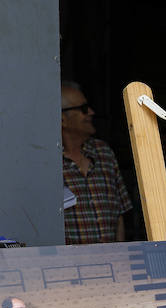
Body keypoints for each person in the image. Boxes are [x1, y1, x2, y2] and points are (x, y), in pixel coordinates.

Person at [61, 82, 132, 245]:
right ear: (62, 120)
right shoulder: (46, 163)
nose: (91, 113)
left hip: (110, 264)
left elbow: (119, 214)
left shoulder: (103, 152)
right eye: (84, 109)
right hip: (69, 267)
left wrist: (119, 257)